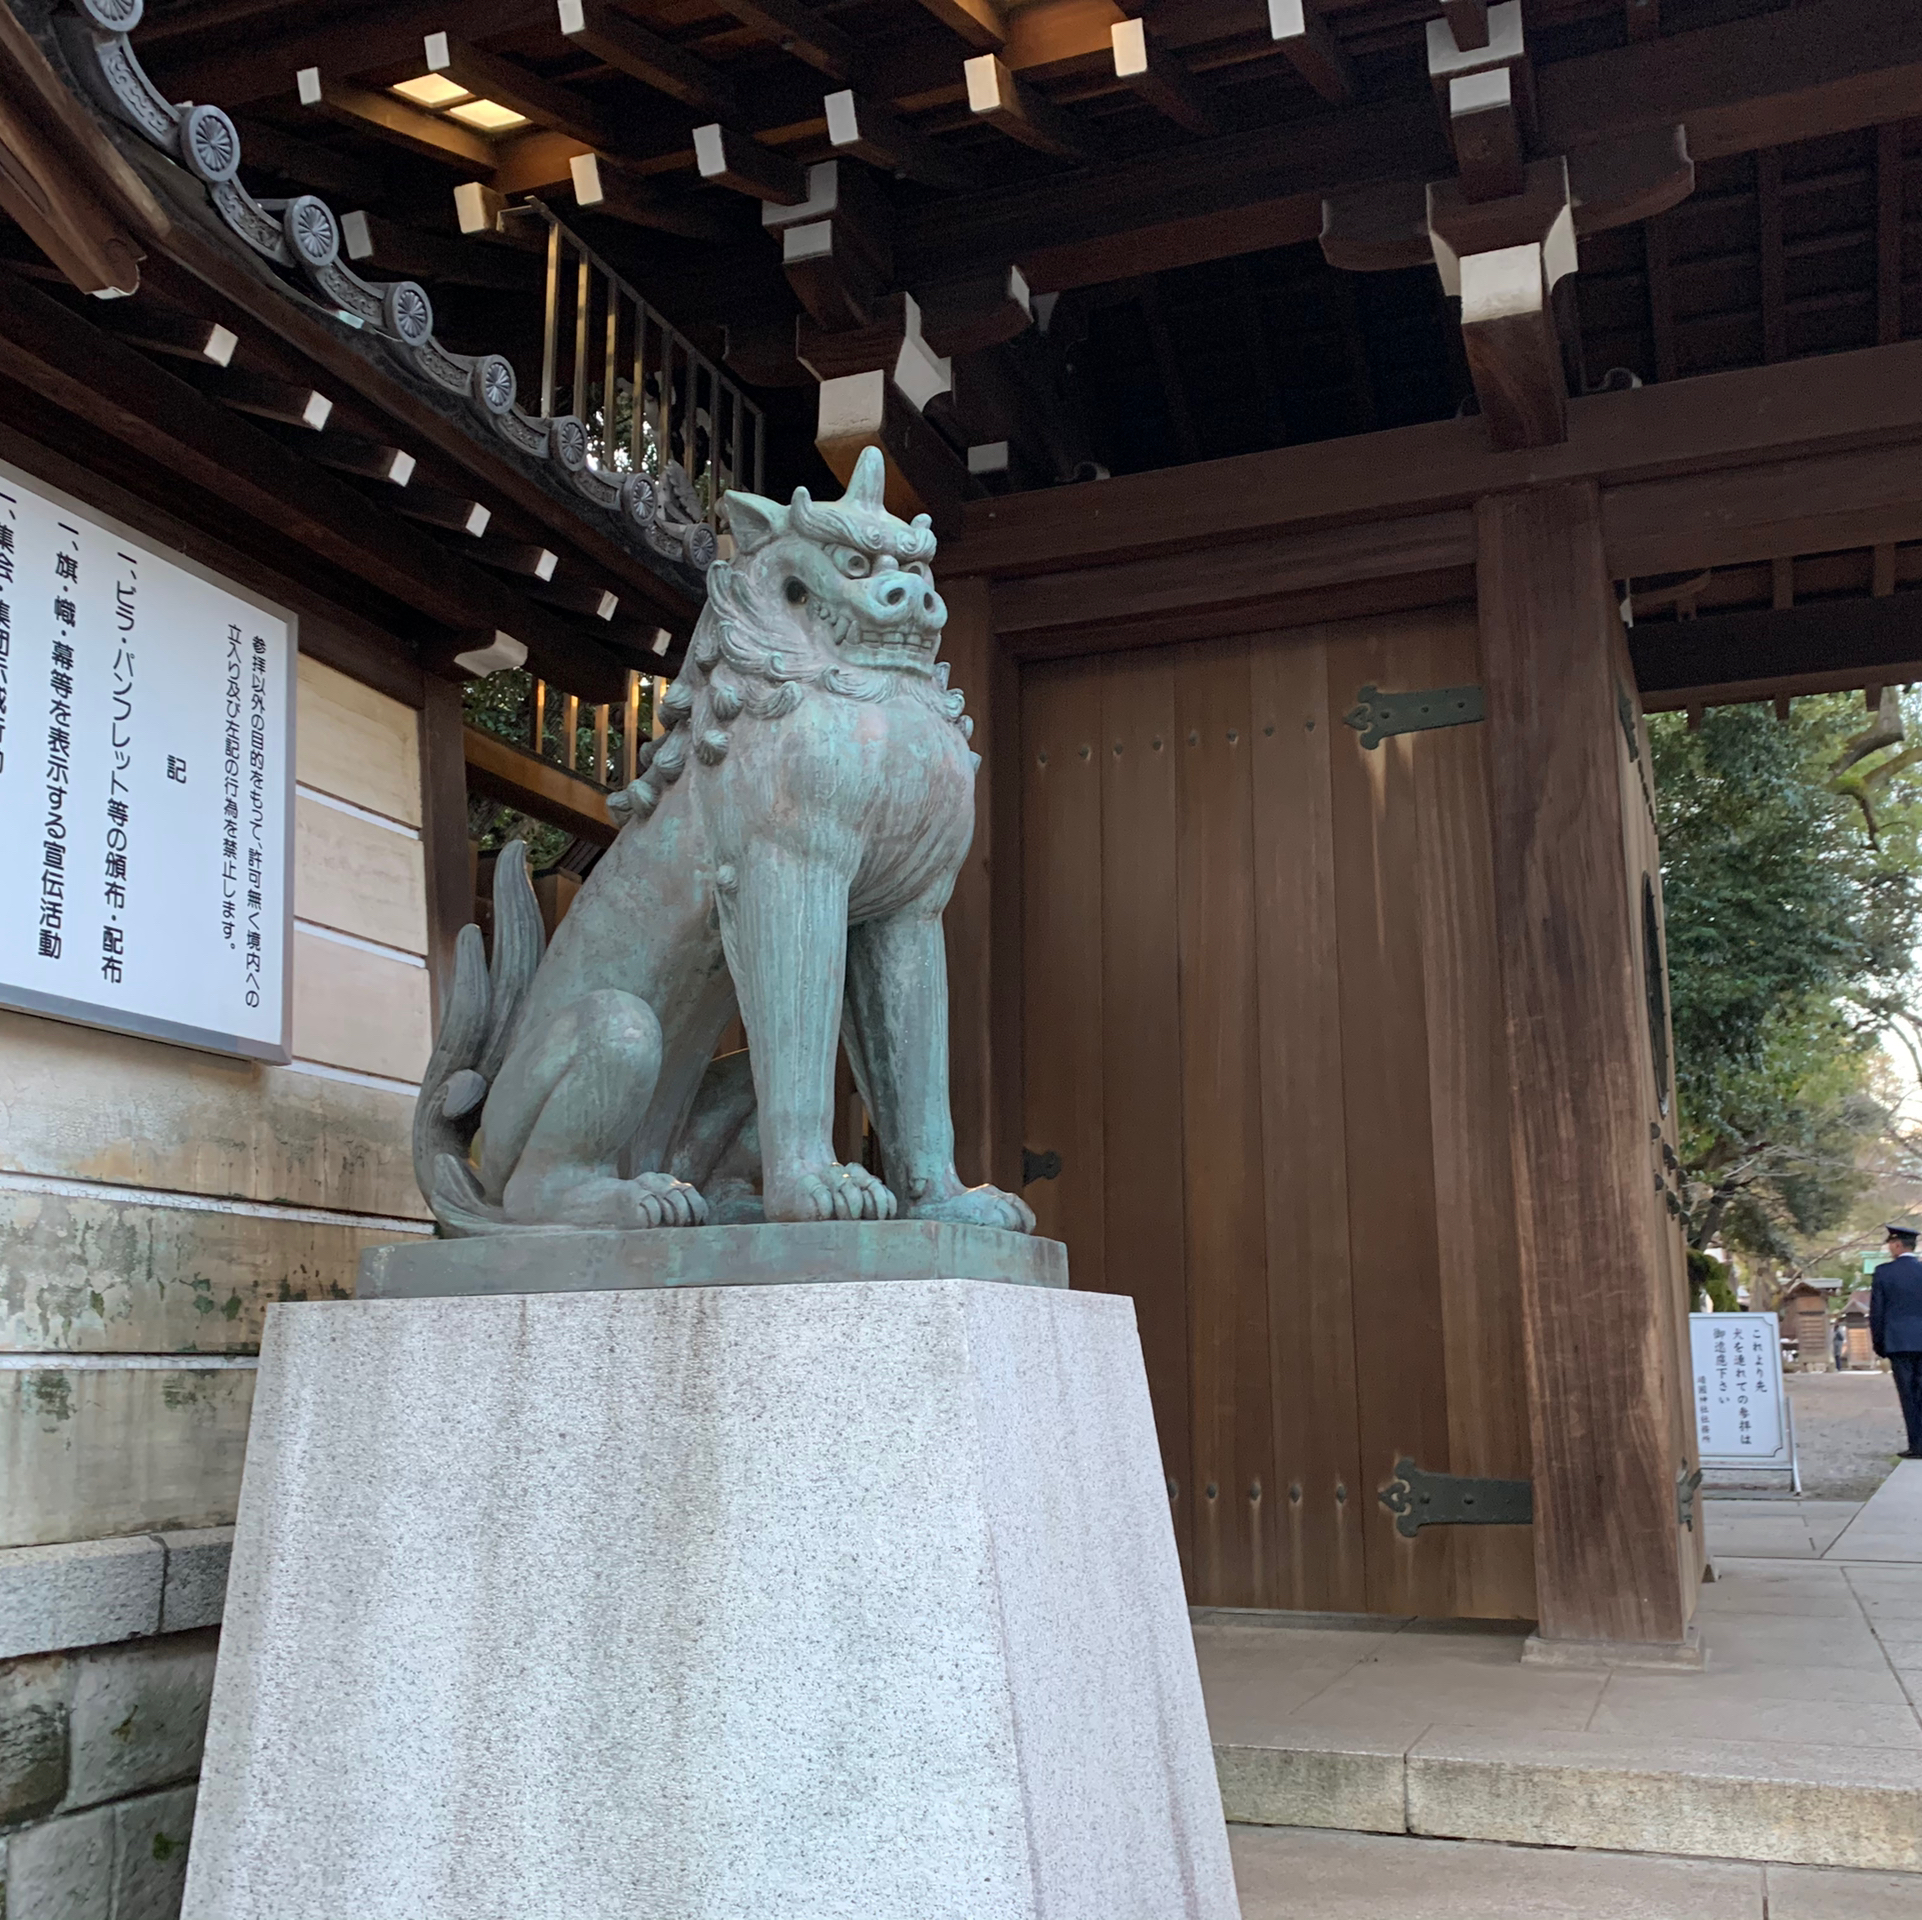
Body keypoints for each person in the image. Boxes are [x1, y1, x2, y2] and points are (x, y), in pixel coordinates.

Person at [1870, 1224, 1922, 1460]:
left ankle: (1916, 1445)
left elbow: (1877, 1312)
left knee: (1908, 1394)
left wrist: (1879, 1344)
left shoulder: (1884, 1272)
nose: (1889, 1248)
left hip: (1898, 1341)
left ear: (1897, 1245)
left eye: (1891, 1243)